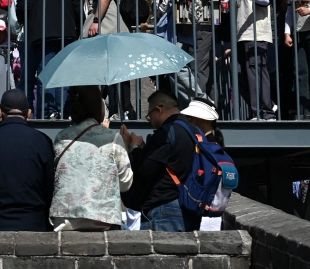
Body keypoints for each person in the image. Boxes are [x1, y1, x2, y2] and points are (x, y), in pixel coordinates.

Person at [0, 89, 54, 231]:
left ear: (0, 112)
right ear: (29, 114)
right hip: (32, 224)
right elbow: (50, 186)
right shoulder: (43, 142)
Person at [50, 86, 133, 231]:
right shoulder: (112, 138)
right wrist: (125, 146)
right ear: (98, 108)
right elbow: (126, 183)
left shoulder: (61, 137)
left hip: (64, 220)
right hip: (103, 221)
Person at [16, 0, 81, 118]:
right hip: (66, 31)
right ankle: (64, 112)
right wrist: (79, 27)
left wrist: (26, 22)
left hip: (40, 33)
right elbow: (77, 4)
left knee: (46, 72)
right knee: (63, 73)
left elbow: (22, 7)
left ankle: (46, 113)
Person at [119, 91, 199, 232]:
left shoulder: (165, 133)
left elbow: (145, 170)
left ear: (158, 110)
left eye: (149, 115)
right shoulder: (193, 130)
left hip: (164, 209)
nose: (150, 120)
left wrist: (133, 147)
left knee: (162, 253)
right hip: (189, 206)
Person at [225, 0, 275, 120]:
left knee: (256, 73)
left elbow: (266, 0)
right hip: (242, 36)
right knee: (240, 74)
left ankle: (264, 111)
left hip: (256, 34)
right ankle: (262, 108)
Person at [181, 98, 231, 230]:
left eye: (193, 117)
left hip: (191, 211)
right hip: (210, 215)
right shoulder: (217, 147)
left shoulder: (198, 147)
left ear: (208, 121)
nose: (189, 120)